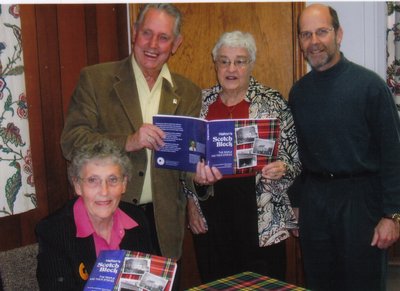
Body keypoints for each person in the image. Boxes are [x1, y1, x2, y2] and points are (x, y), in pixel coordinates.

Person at [60, 3, 201, 266]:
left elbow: (186, 163)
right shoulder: (96, 79)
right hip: (109, 215)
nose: (153, 44)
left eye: (164, 37)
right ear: (134, 32)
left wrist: (202, 179)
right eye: (147, 33)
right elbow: (71, 142)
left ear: (177, 43)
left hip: (164, 226)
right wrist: (128, 141)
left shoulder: (189, 92)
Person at [289, 4, 400, 291]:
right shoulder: (299, 93)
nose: (314, 41)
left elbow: (393, 154)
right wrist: (297, 202)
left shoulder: (370, 87)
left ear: (339, 34)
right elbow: (297, 153)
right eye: (306, 34)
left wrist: (392, 215)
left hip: (361, 203)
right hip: (315, 204)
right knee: (319, 282)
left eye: (322, 32)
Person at [185, 31, 301, 283]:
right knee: (217, 282)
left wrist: (283, 167)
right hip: (211, 211)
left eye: (240, 61)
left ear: (251, 64)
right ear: (214, 64)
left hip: (260, 213)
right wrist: (191, 205)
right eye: (224, 61)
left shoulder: (272, 102)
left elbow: (295, 161)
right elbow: (186, 162)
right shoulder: (199, 103)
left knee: (262, 283)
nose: (231, 68)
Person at [36, 139, 153, 290]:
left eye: (113, 180)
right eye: (93, 180)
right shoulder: (54, 231)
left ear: (124, 184)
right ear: (78, 186)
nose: (104, 191)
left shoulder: (137, 218)